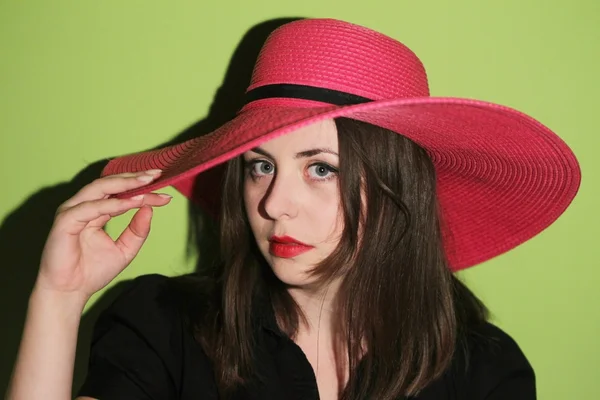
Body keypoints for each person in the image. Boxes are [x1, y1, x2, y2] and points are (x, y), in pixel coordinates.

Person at [6, 18, 580, 400]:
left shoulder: (481, 371)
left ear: (394, 189)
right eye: (259, 165)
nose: (275, 204)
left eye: (321, 168)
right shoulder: (167, 328)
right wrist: (59, 300)